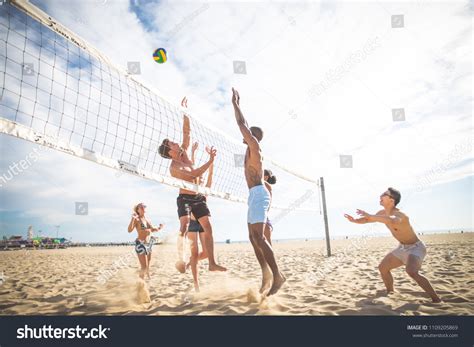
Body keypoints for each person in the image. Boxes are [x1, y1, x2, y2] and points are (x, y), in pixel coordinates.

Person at [158, 97, 226, 273]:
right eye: (172, 143)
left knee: (208, 227)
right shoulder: (174, 167)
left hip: (198, 197)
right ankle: (180, 259)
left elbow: (186, 133)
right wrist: (210, 161)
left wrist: (185, 113)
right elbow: (194, 174)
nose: (176, 142)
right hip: (185, 198)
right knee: (185, 225)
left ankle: (212, 263)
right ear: (169, 150)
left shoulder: (184, 154)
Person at [231, 88, 285, 296]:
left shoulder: (254, 145)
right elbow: (243, 127)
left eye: (247, 133)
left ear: (252, 136)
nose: (243, 134)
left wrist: (235, 104)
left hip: (259, 193)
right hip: (253, 195)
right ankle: (266, 275)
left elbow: (241, 124)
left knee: (260, 238)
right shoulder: (248, 149)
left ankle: (277, 275)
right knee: (253, 238)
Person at [344, 187, 441, 303]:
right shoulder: (381, 213)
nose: (380, 195)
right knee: (383, 268)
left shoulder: (401, 215)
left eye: (384, 194)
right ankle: (390, 292)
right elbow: (367, 220)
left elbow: (393, 220)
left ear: (392, 200)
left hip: (416, 248)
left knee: (412, 272)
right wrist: (354, 220)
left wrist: (370, 216)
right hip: (402, 247)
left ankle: (436, 300)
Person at [186, 142, 214, 291]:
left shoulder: (206, 189)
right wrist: (193, 152)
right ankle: (196, 284)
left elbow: (210, 174)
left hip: (203, 221)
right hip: (191, 222)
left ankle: (191, 262)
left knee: (207, 252)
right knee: (194, 252)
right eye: (199, 178)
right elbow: (193, 169)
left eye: (202, 178)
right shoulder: (193, 186)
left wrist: (212, 159)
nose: (201, 178)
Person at [127, 203, 164, 280]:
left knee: (147, 266)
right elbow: (129, 230)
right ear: (138, 210)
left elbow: (153, 229)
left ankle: (147, 277)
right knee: (144, 267)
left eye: (144, 206)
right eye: (142, 207)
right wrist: (132, 219)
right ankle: (141, 284)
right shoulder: (137, 219)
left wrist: (160, 227)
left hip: (148, 244)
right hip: (140, 244)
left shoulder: (147, 220)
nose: (144, 207)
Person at [263, 169, 277, 245]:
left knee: (267, 242)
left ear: (265, 177)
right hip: (261, 216)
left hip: (263, 216)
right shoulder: (260, 186)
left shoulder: (267, 186)